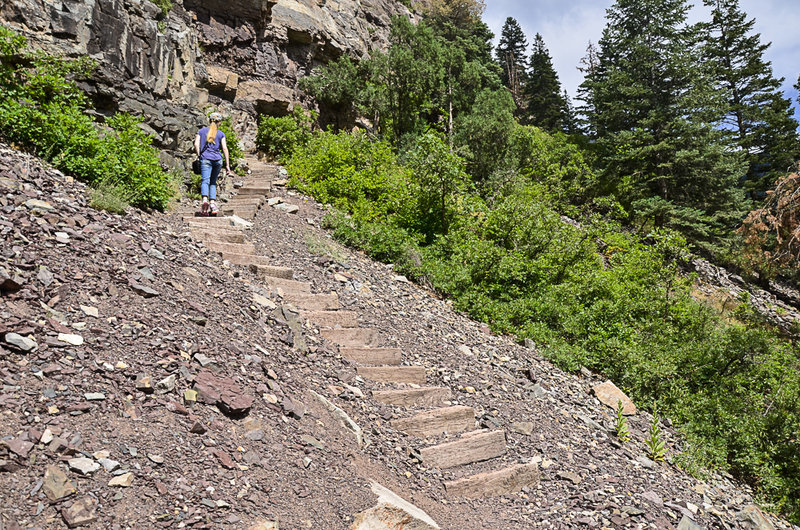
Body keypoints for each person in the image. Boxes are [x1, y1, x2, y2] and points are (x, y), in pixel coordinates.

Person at [194, 112, 231, 216]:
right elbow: (224, 148)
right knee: (213, 182)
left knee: (205, 181)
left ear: (209, 120)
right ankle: (213, 204)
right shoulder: (221, 134)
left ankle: (205, 201)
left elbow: (196, 144)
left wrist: (199, 154)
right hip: (218, 160)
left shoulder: (201, 131)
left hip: (205, 158)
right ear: (219, 122)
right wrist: (227, 165)